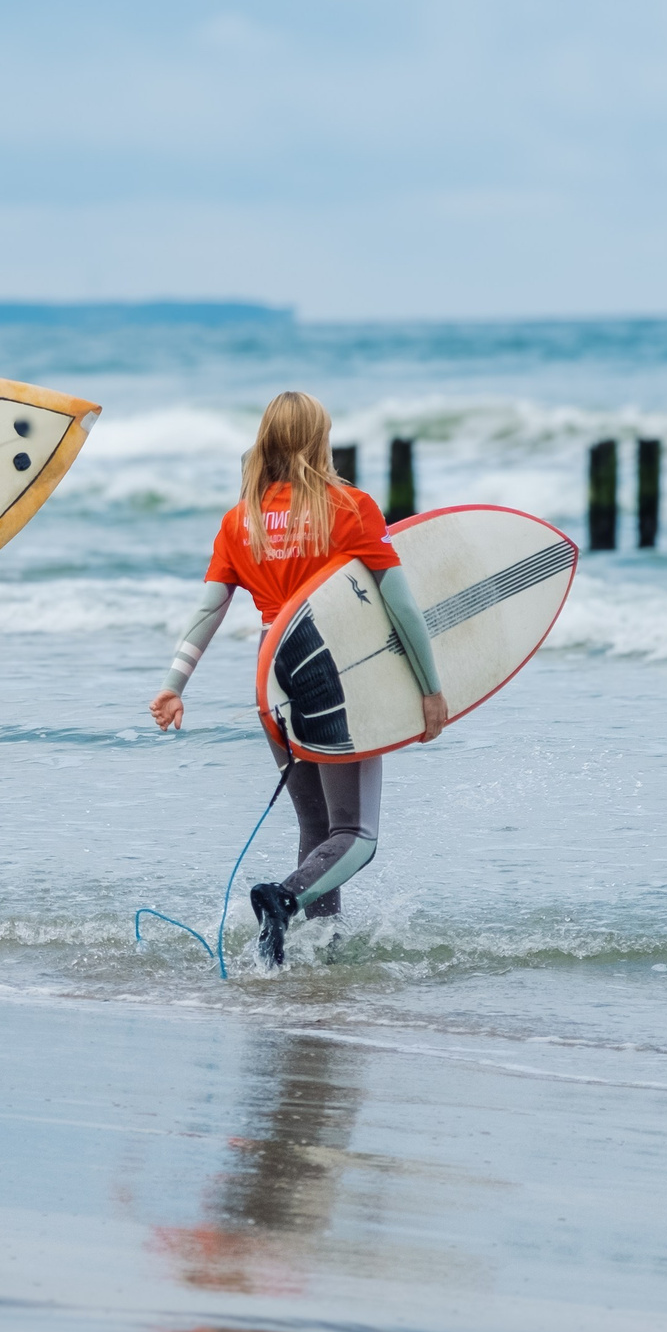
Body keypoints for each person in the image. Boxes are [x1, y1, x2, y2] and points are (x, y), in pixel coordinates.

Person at [147, 392, 449, 966]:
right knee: (356, 835)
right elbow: (402, 608)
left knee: (317, 828)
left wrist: (174, 684)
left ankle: (319, 951)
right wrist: (430, 688)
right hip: (334, 669)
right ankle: (282, 901)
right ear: (319, 439)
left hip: (272, 676)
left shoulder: (243, 520)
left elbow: (209, 610)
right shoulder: (349, 508)